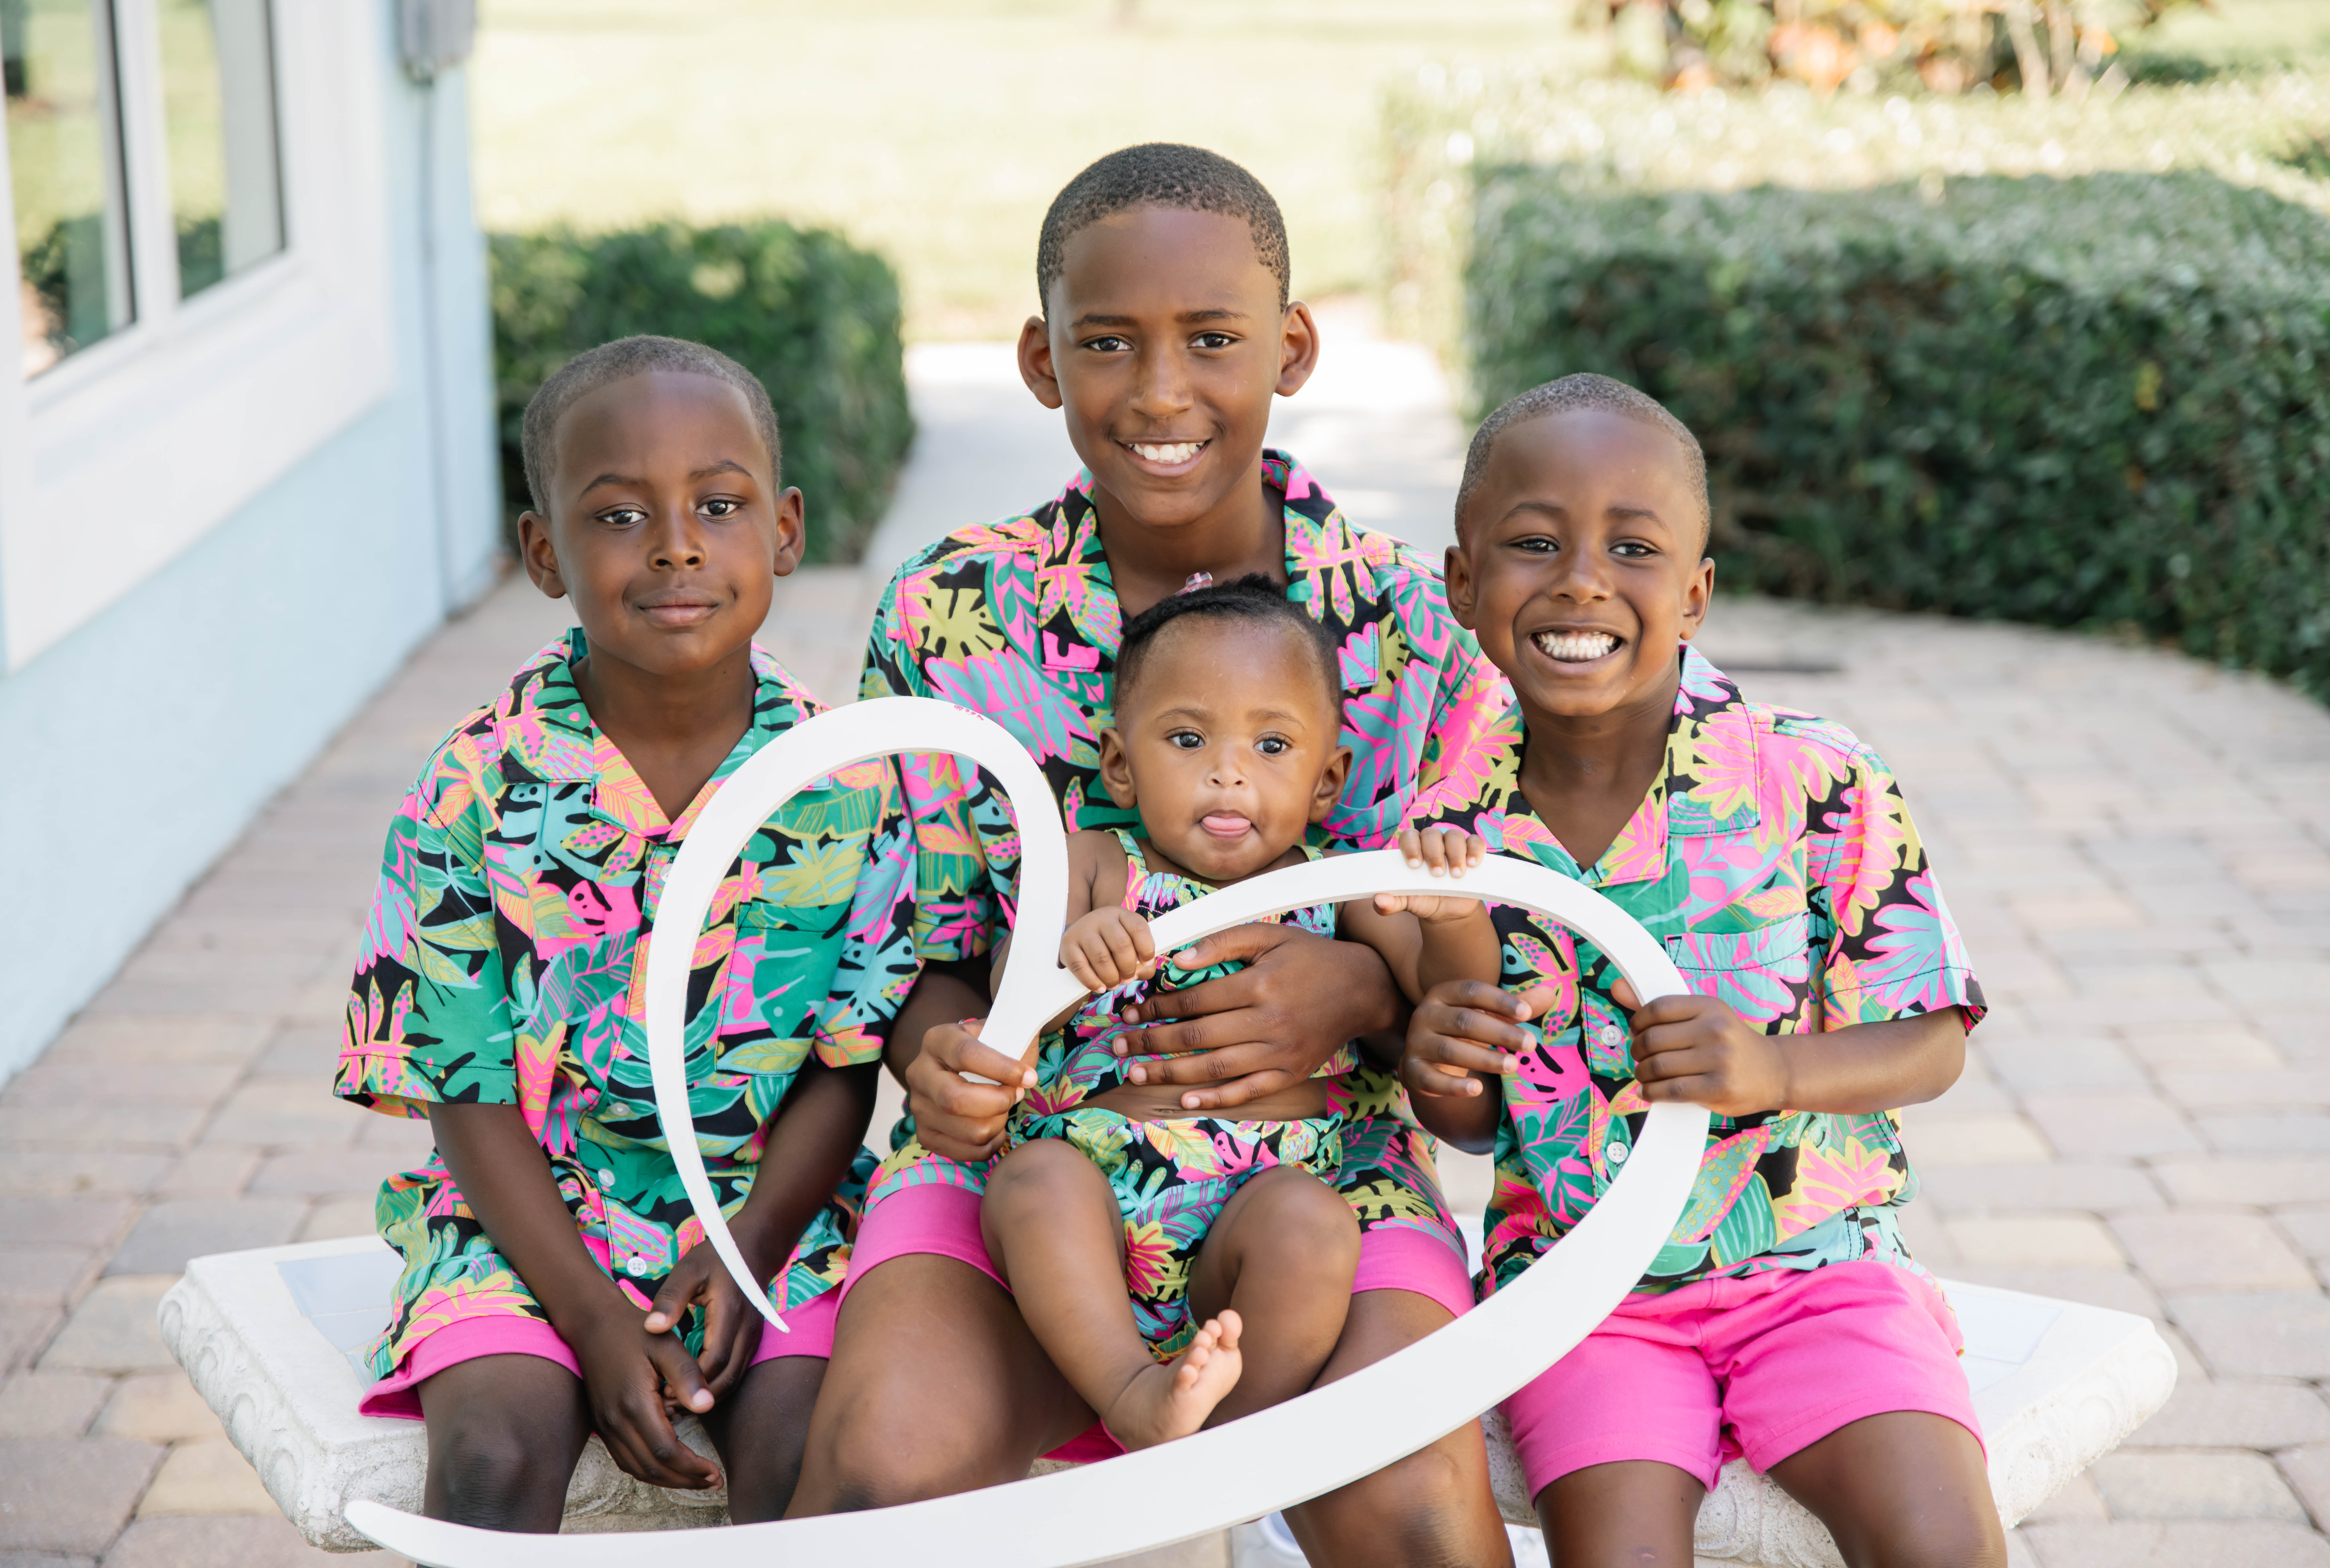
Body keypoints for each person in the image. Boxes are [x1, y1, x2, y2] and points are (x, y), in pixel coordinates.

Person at [795, 144, 1515, 1566]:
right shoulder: (956, 614)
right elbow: (919, 948)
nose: (1164, 391)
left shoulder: (1398, 626)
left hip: (1323, 1161)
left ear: (1293, 349)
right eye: (1110, 343)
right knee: (880, 1480)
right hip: (1034, 1158)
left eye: (1215, 340)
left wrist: (1362, 993)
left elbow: (1459, 970)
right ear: (1041, 359)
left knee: (1421, 1515)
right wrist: (940, 1054)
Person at [1399, 373, 2002, 1568]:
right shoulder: (1454, 826)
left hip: (1821, 1272)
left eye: (1633, 545)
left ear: (1694, 592)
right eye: (1534, 542)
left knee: (1942, 1540)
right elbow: (1470, 1121)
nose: (1580, 578)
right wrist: (1439, 1049)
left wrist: (1771, 1064)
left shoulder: (1814, 776)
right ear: (1464, 584)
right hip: (1587, 1293)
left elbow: (1932, 1039)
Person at [335, 336, 922, 1530]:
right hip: (532, 1221)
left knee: (812, 1450)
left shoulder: (853, 778)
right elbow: (465, 1086)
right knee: (496, 1453)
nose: (676, 546)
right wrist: (596, 1313)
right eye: (618, 516)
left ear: (787, 528)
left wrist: (748, 1239)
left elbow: (846, 1066)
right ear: (544, 553)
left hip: (776, 1209)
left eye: (719, 503)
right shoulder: (475, 785)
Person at [974, 576, 1498, 1450]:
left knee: (1318, 1229)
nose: (1229, 771)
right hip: (1103, 1189)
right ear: (1119, 764)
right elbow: (1009, 984)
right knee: (1032, 1183)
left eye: (1272, 745)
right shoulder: (1097, 864)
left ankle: (1232, 1450)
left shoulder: (1338, 885)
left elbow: (1440, 994)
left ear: (1328, 779)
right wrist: (1070, 948)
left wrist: (1456, 910)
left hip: (1263, 1203)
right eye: (1188, 739)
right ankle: (1132, 1394)